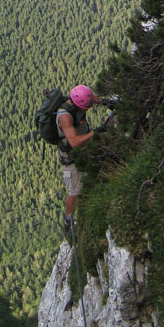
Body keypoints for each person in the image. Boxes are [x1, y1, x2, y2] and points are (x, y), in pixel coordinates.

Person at [56, 84, 106, 230]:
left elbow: (93, 100)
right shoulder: (64, 117)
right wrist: (95, 132)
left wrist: (106, 102)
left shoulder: (79, 100)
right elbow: (74, 142)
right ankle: (68, 221)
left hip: (84, 148)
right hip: (70, 157)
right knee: (75, 191)